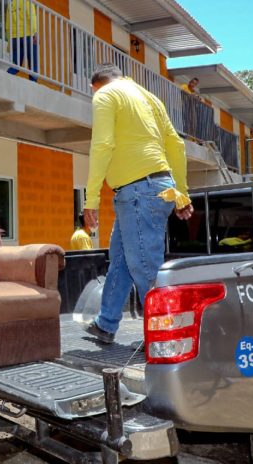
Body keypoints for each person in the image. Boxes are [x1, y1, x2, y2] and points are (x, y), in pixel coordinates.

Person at [83, 64, 193, 344]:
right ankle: (106, 324)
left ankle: (167, 336)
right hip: (154, 188)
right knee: (121, 260)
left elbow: (102, 145)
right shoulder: (150, 98)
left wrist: (91, 198)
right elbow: (176, 146)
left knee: (145, 267)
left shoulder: (106, 95)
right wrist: (181, 193)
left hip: (138, 191)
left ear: (97, 84)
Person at [5, 0, 38, 82]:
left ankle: (6, 78)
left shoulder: (12, 4)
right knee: (33, 62)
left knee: (16, 63)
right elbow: (31, 17)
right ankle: (33, 83)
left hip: (15, 37)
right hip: (27, 35)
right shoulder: (28, 0)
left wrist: (9, 39)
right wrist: (35, 33)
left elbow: (7, 24)